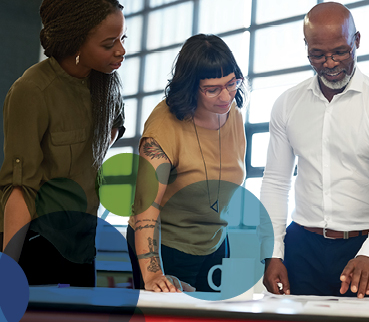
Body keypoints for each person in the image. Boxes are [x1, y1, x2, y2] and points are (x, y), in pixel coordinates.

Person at [260, 2, 369, 299]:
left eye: (340, 52)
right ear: (306, 48)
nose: (329, 63)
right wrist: (273, 252)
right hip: (302, 247)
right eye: (317, 54)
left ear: (356, 41)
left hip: (365, 246)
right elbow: (276, 182)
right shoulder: (287, 104)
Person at [0, 0, 126, 286]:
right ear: (76, 43)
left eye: (122, 38)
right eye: (109, 44)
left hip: (84, 244)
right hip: (36, 240)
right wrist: (7, 271)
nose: (121, 50)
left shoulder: (108, 85)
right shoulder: (31, 91)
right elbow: (20, 189)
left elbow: (112, 129)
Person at [127, 34, 247, 293]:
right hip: (166, 249)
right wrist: (152, 273)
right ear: (191, 87)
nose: (226, 96)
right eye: (212, 89)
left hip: (214, 245)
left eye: (232, 83)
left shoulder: (232, 114)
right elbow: (145, 208)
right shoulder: (164, 126)